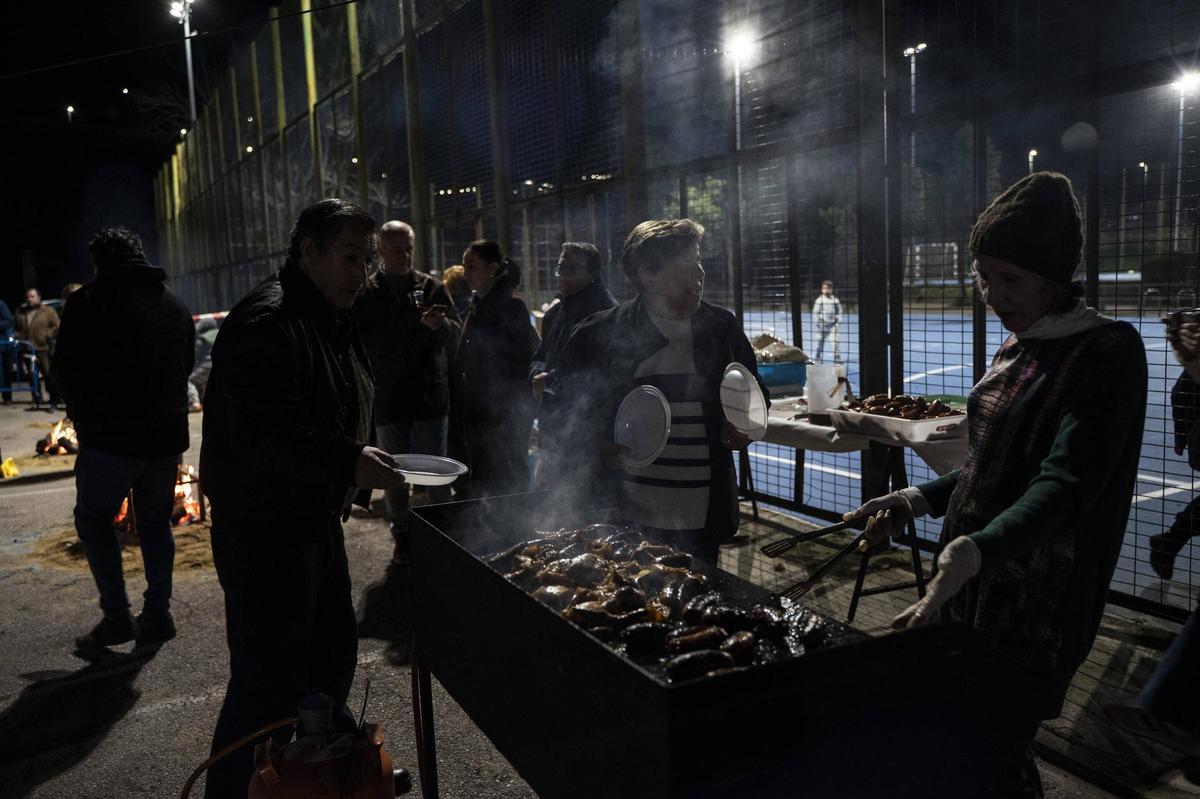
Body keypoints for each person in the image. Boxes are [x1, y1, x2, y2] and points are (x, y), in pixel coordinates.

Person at [844, 172, 1148, 796]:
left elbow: (1065, 485)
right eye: (985, 276)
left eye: (1009, 279)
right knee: (968, 743)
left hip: (1038, 608)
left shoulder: (1107, 352)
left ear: (1054, 276)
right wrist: (913, 500)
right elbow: (992, 463)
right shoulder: (1021, 344)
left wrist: (978, 547)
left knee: (991, 744)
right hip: (969, 587)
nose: (992, 293)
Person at [200, 199, 408, 797]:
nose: (362, 274)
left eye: (368, 261)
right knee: (267, 685)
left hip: (311, 520)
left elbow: (338, 399)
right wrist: (347, 461)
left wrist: (349, 474)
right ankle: (235, 789)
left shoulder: (326, 311)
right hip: (264, 533)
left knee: (328, 662)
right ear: (307, 251)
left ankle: (324, 778)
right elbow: (258, 435)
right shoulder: (269, 322)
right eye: (350, 258)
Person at [556, 219, 766, 565]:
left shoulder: (721, 327)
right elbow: (564, 413)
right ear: (648, 274)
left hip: (702, 514)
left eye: (699, 261)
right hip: (625, 513)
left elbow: (757, 395)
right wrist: (596, 447)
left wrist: (743, 427)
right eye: (686, 264)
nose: (699, 272)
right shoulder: (598, 334)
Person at [54, 227, 195, 649]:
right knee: (155, 524)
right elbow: (186, 364)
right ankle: (158, 613)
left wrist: (83, 419)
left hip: (111, 441)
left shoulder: (89, 303)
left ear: (99, 263)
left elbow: (67, 371)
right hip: (165, 438)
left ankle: (116, 616)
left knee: (94, 521)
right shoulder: (172, 302)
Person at [355, 220, 459, 567]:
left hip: (429, 394)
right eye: (396, 249)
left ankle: (442, 532)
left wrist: (441, 326)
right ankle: (402, 534)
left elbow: (458, 335)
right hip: (390, 396)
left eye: (408, 248)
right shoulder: (367, 292)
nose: (404, 255)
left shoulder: (431, 287)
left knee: (436, 472)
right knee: (394, 473)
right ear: (380, 250)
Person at [451, 240, 538, 498]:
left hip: (501, 411)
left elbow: (516, 359)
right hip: (485, 408)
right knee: (489, 475)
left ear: (493, 268)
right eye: (465, 266)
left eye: (472, 266)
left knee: (504, 476)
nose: (466, 273)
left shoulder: (509, 305)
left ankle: (511, 531)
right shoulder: (480, 300)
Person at [530, 242, 617, 485]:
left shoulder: (605, 313)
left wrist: (551, 380)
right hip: (554, 424)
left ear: (593, 274)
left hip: (588, 431)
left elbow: (601, 374)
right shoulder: (555, 313)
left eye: (572, 269)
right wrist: (537, 374)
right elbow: (540, 356)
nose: (563, 275)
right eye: (561, 268)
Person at [15, 286, 60, 406]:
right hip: (28, 349)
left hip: (43, 348)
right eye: (28, 297)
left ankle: (54, 400)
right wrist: (18, 336)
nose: (30, 299)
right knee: (31, 376)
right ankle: (37, 399)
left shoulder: (48, 311)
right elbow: (17, 328)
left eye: (33, 296)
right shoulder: (21, 312)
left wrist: (47, 334)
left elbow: (56, 325)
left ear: (39, 297)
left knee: (49, 374)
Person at [186, 318, 219, 412]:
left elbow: (194, 356)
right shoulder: (221, 333)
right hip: (221, 366)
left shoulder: (202, 339)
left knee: (189, 381)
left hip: (206, 368)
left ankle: (194, 403)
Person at [811, 279, 841, 362]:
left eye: (828, 288)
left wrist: (838, 322)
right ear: (821, 289)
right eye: (824, 288)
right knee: (819, 343)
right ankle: (817, 356)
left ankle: (837, 358)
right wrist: (817, 323)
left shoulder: (835, 300)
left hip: (833, 326)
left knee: (835, 342)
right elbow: (815, 313)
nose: (826, 290)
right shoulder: (819, 300)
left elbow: (839, 311)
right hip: (822, 325)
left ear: (831, 289)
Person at [0, 296, 13, 404]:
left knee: (3, 373)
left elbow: (8, 320)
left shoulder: (1, 304)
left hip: (1, 346)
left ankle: (7, 397)